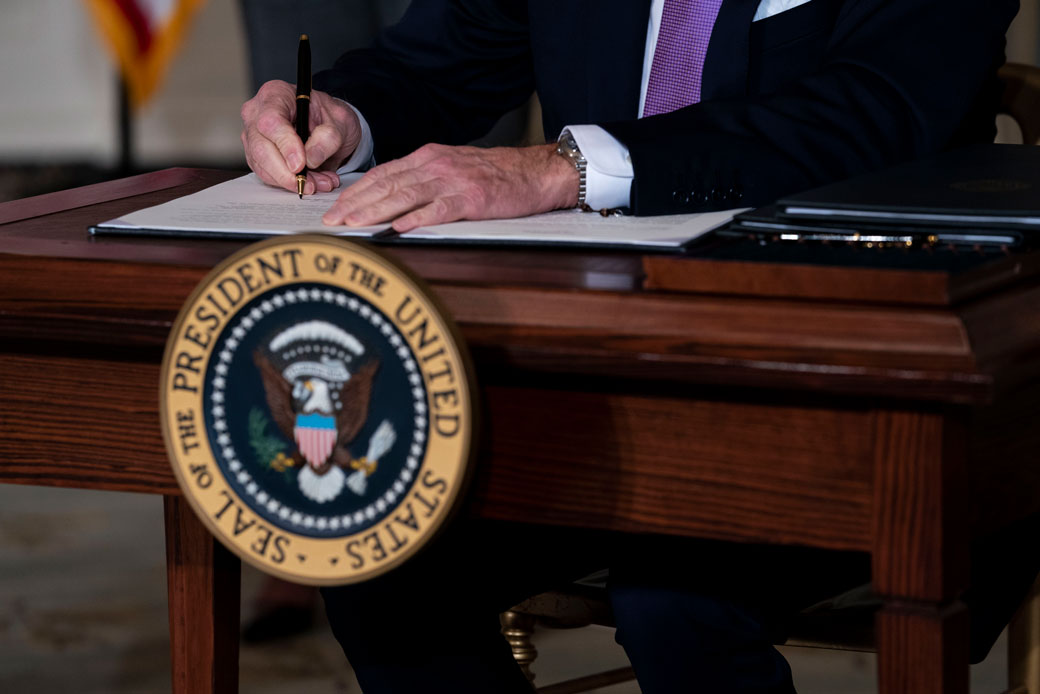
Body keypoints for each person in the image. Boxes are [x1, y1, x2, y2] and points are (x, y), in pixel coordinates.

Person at [239, 1, 1025, 691]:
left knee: (676, 601)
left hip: (852, 393)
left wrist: (562, 168)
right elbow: (435, 60)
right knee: (378, 545)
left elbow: (871, 113)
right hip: (602, 388)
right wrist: (337, 117)